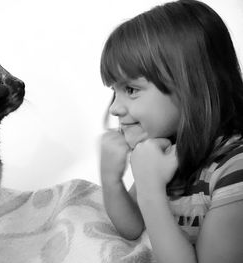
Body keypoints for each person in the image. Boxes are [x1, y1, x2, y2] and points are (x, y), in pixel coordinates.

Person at [99, 0, 243, 262]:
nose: (115, 108)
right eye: (114, 92)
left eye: (130, 90)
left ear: (191, 87)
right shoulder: (166, 147)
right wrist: (111, 180)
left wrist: (151, 189)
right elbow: (132, 227)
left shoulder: (234, 169)